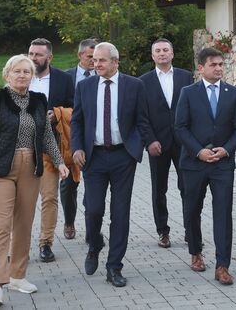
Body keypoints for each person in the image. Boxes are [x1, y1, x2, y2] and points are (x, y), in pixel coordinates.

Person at [0, 55, 69, 306]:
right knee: (1, 226)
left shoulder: (38, 100)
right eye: (17, 71)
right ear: (7, 74)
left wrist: (59, 162)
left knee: (24, 224)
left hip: (31, 168)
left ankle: (18, 276)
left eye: (27, 71)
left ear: (32, 76)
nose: (22, 75)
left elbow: (46, 136)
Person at [70, 42, 150, 288]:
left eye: (102, 60)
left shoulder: (134, 85)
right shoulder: (84, 86)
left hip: (123, 157)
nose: (96, 64)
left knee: (120, 212)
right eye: (94, 60)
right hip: (93, 157)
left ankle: (114, 266)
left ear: (115, 62)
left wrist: (141, 146)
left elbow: (142, 120)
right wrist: (77, 147)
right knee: (93, 209)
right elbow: (77, 121)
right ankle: (95, 245)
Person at [175, 47, 236, 286]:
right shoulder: (188, 93)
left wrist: (226, 149)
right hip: (194, 163)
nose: (218, 68)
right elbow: (180, 127)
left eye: (221, 64)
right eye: (213, 64)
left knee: (223, 212)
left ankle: (222, 265)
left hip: (222, 164)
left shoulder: (233, 93)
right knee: (192, 209)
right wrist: (199, 151)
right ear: (201, 68)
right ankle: (195, 252)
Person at [139, 38, 196, 248]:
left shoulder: (186, 76)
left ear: (172, 54)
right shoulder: (143, 81)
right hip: (157, 143)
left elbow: (193, 109)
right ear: (152, 56)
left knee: (188, 187)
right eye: (158, 51)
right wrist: (149, 141)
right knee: (158, 189)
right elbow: (141, 115)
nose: (162, 53)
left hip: (184, 143)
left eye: (165, 50)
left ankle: (191, 231)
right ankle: (163, 231)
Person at [28, 38, 74, 262]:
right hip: (21, 149)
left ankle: (45, 243)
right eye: (31, 53)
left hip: (50, 148)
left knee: (49, 198)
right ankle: (16, 245)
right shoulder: (21, 75)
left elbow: (76, 108)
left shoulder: (64, 79)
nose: (33, 58)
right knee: (20, 201)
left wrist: (57, 114)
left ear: (49, 57)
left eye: (38, 54)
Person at [62, 38, 98, 240]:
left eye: (97, 57)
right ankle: (69, 221)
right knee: (69, 183)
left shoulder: (103, 76)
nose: (94, 61)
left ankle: (91, 226)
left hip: (96, 139)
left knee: (94, 185)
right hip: (70, 136)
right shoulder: (66, 77)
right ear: (80, 55)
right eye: (90, 56)